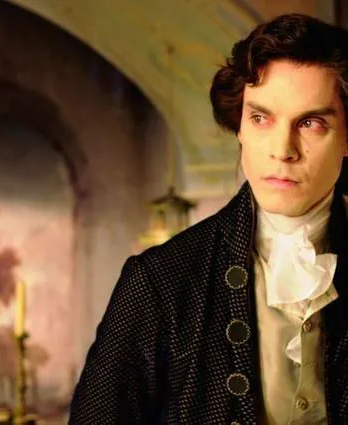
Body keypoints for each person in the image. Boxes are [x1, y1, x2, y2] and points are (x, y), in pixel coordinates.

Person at [68, 13, 348, 424]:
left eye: (310, 123)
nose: (282, 149)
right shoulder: (158, 283)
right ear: (240, 128)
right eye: (260, 118)